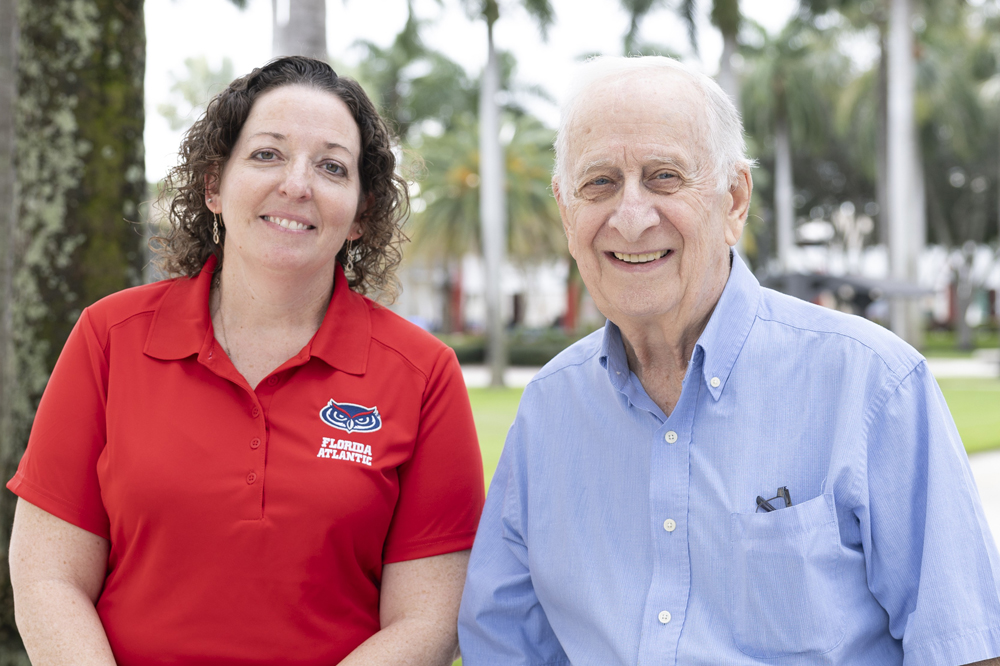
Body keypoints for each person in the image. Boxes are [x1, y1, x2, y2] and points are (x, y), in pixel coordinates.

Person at [458, 55, 1000, 666]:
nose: (631, 217)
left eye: (664, 177)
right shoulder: (549, 411)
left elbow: (966, 648)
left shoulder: (873, 384)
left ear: (735, 200)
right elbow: (504, 647)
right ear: (566, 211)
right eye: (599, 183)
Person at [8, 56, 484, 666]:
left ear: (361, 214)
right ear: (214, 185)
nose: (297, 185)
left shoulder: (422, 372)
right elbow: (48, 577)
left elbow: (431, 618)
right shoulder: (109, 337)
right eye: (267, 154)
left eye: (332, 167)